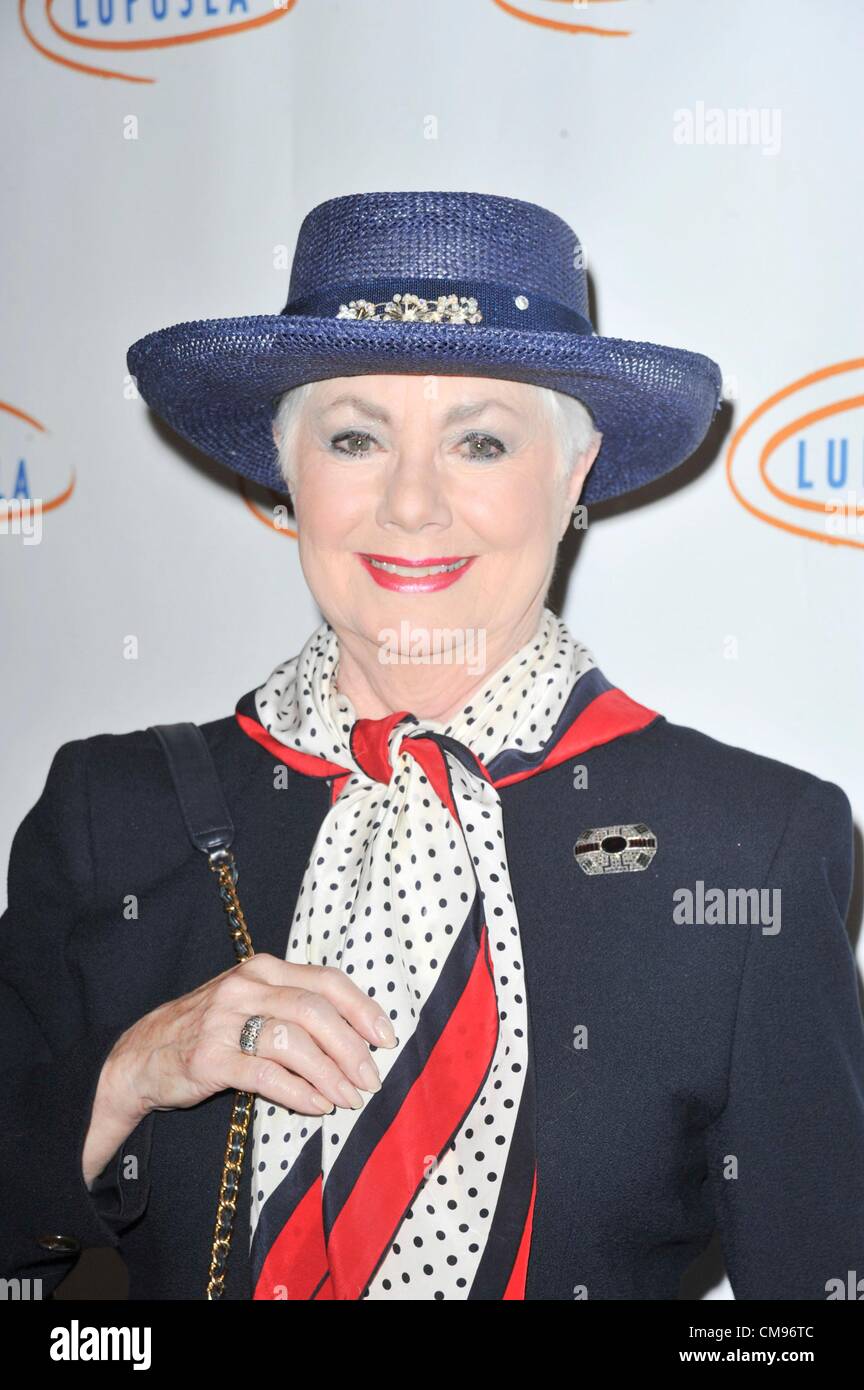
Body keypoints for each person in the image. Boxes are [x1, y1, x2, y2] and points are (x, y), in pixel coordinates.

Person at [2, 190, 863, 1301]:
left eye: (482, 441)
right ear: (285, 467)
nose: (411, 503)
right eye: (356, 437)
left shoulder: (751, 845)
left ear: (574, 475)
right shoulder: (107, 812)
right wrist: (123, 1078)